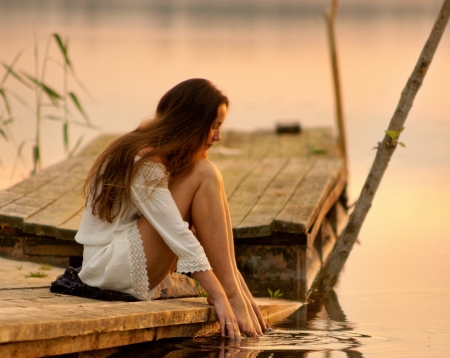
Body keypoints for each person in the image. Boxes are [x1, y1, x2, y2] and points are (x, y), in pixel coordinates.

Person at [75, 78, 266, 339]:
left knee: (205, 172)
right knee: (205, 173)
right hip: (109, 269)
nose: (218, 137)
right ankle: (233, 293)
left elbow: (207, 234)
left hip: (116, 260)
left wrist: (240, 291)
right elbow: (177, 233)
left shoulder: (164, 154)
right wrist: (221, 295)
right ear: (191, 124)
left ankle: (237, 293)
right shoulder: (143, 160)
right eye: (213, 127)